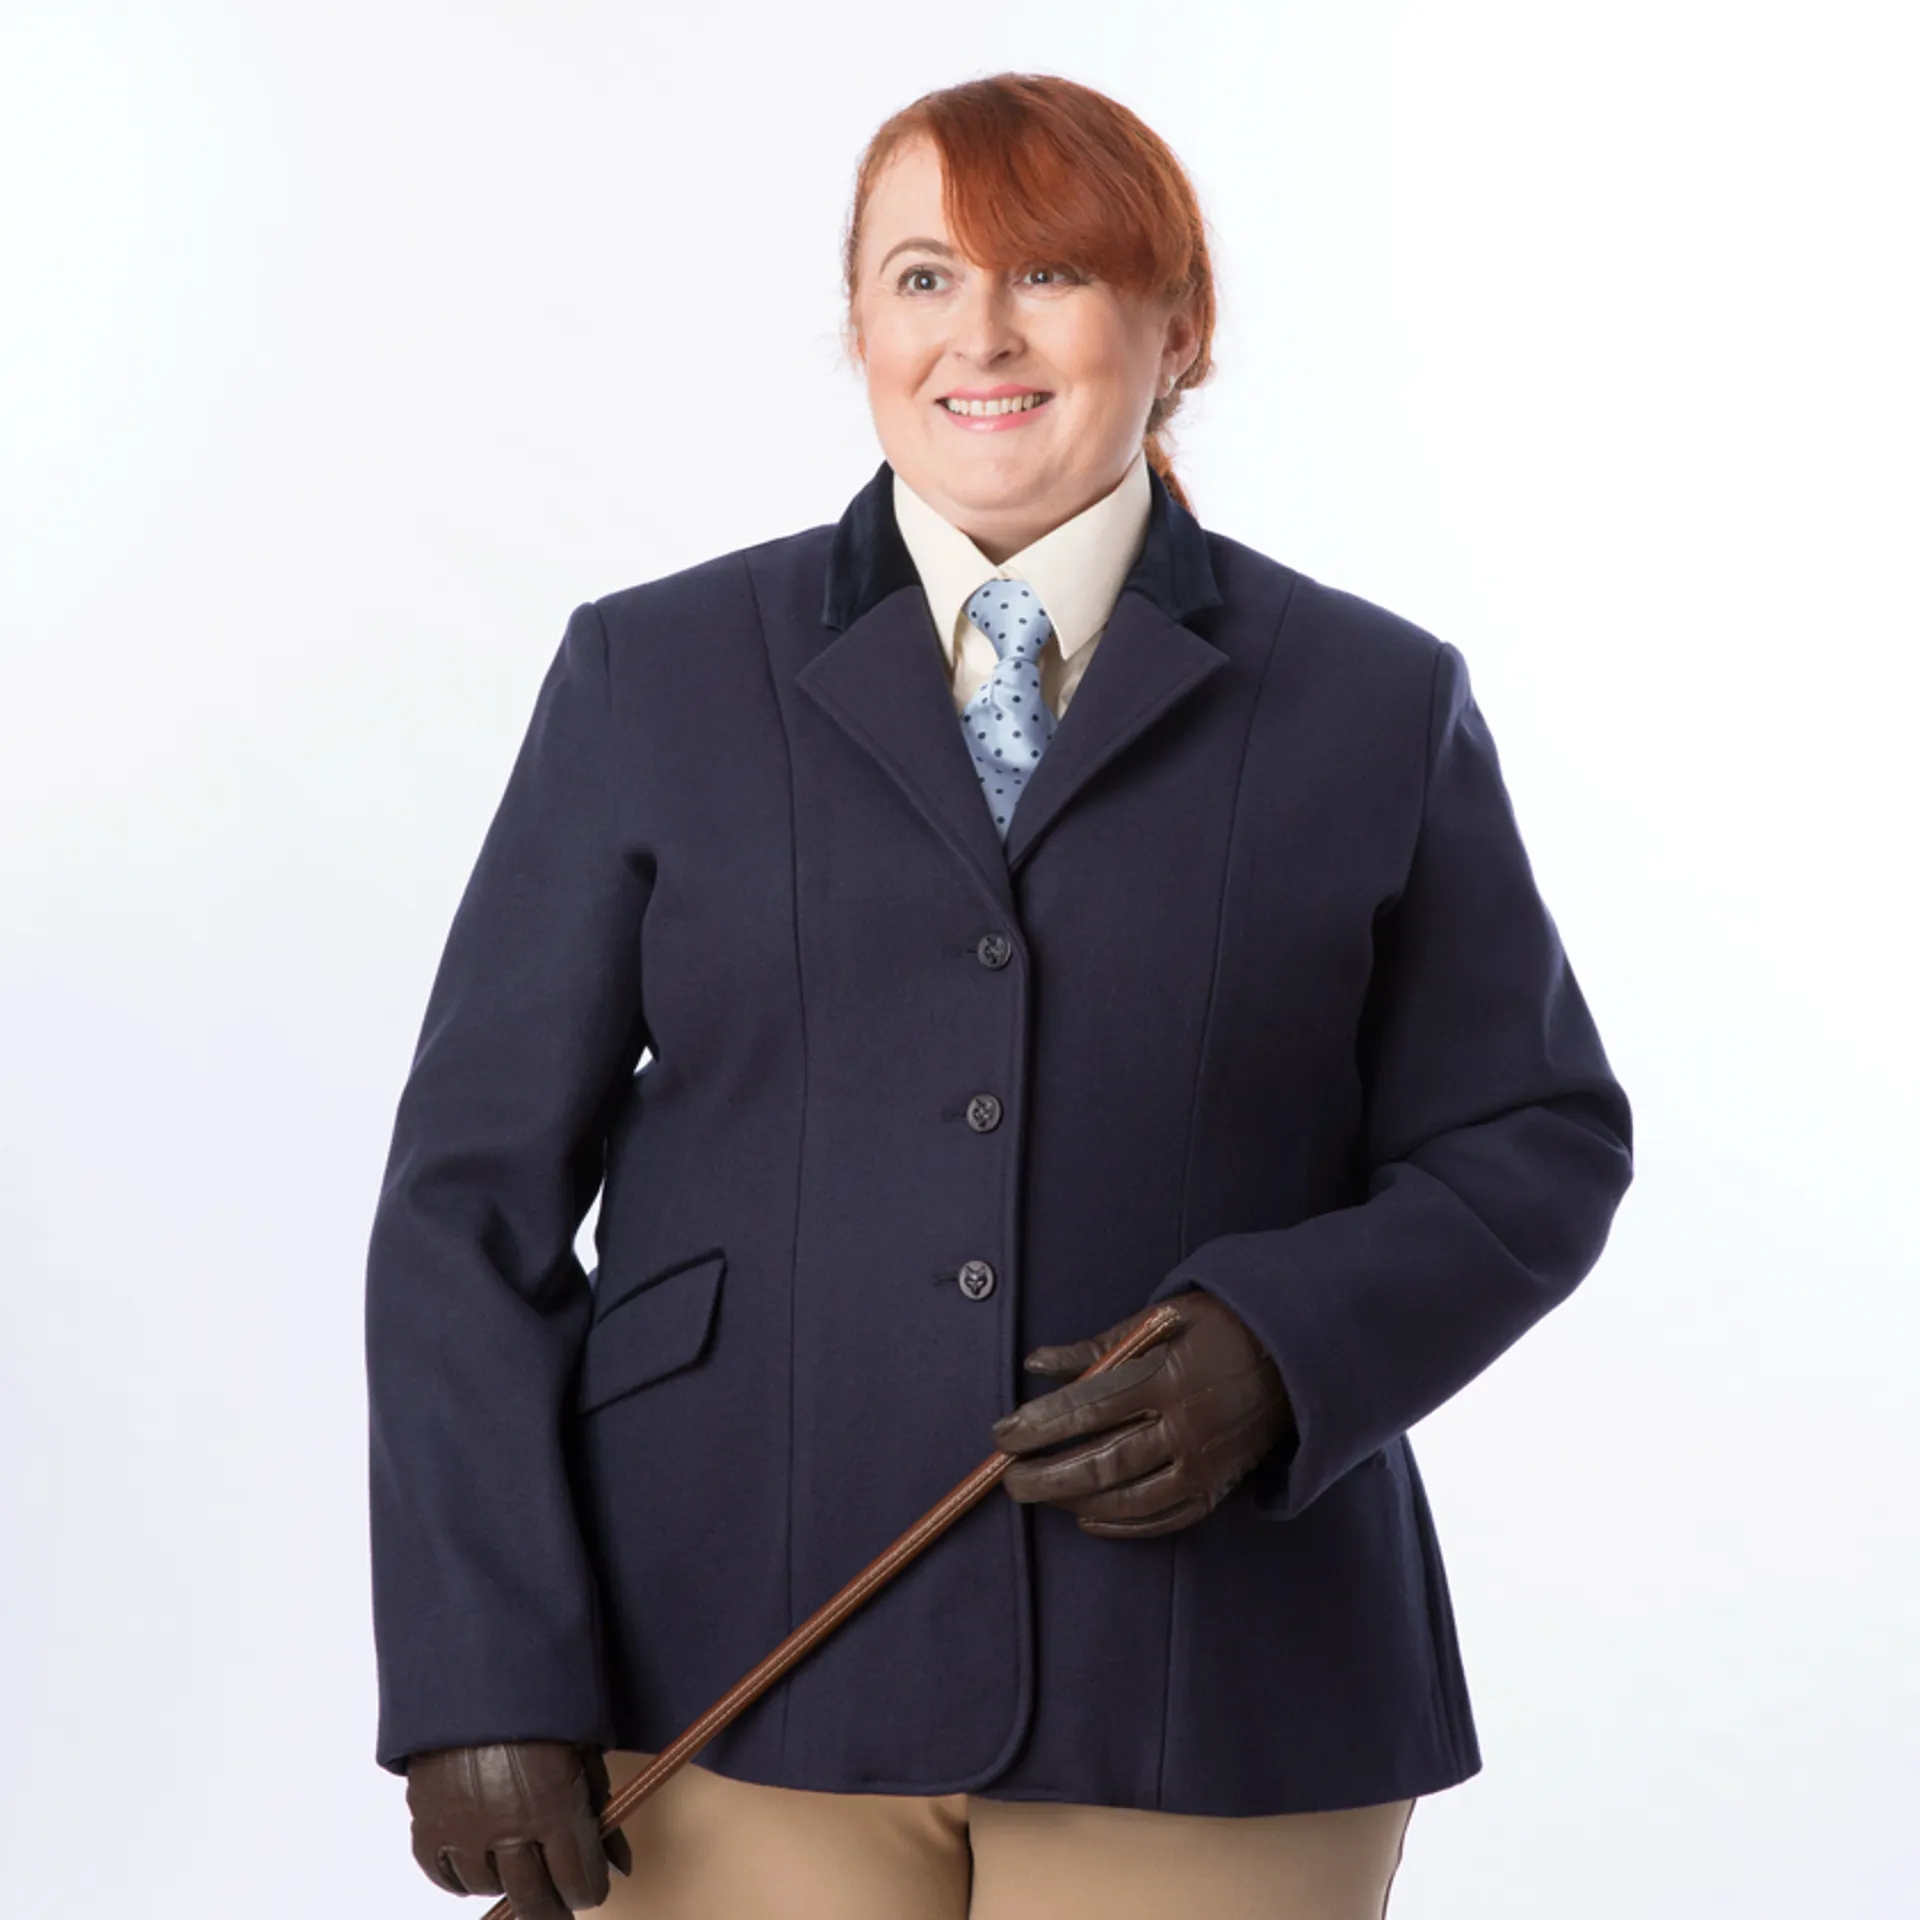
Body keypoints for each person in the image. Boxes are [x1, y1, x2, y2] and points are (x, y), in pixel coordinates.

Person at [365, 70, 1634, 1920]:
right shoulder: (653, 674)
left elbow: (1534, 1140)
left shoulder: (1372, 699)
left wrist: (1287, 1350)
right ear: (861, 325)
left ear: (1178, 326)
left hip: (1219, 1687)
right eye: (922, 278)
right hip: (720, 1661)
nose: (982, 335)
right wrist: (480, 1667)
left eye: (1050, 274)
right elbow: (464, 1205)